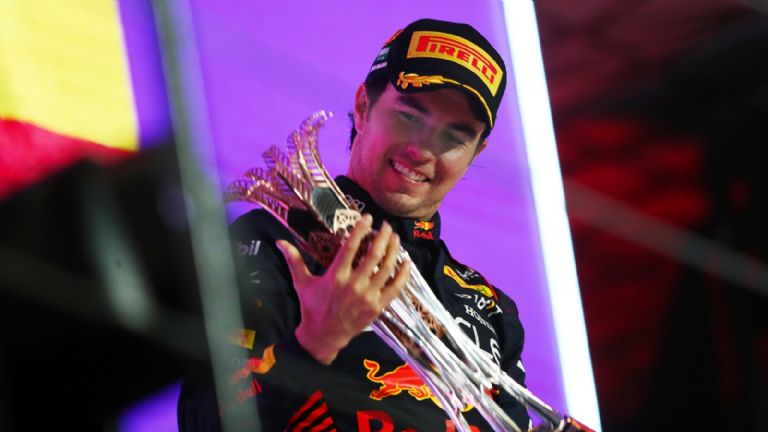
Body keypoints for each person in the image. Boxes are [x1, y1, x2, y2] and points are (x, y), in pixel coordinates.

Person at [179, 18, 531, 431]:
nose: (421, 151)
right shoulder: (275, 242)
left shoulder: (490, 308)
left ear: (475, 154)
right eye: (409, 116)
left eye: (454, 138)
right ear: (363, 107)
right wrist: (317, 341)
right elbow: (207, 420)